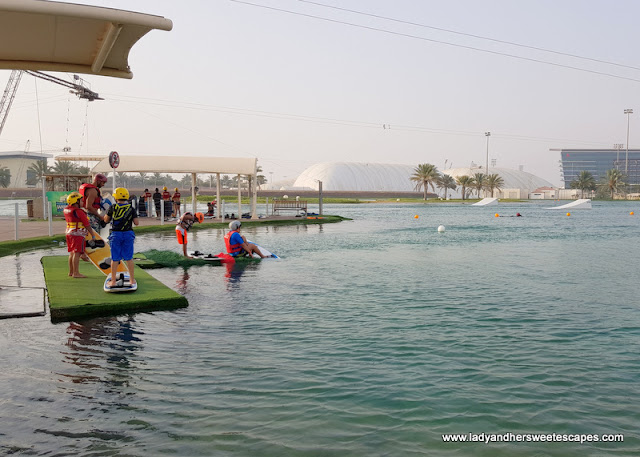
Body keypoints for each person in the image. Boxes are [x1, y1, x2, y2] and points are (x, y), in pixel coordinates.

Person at [103, 187, 139, 287]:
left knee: (115, 259)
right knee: (129, 258)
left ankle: (113, 281)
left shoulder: (112, 207)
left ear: (115, 197)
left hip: (116, 235)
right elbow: (136, 223)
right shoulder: (131, 208)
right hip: (128, 234)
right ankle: (132, 280)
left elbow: (106, 220)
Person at [64, 191, 99, 278]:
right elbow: (87, 224)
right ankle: (76, 273)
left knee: (72, 253)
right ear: (76, 202)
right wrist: (93, 235)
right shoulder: (79, 212)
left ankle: (71, 272)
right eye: (81, 200)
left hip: (69, 233)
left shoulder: (67, 209)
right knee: (77, 253)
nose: (82, 202)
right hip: (78, 234)